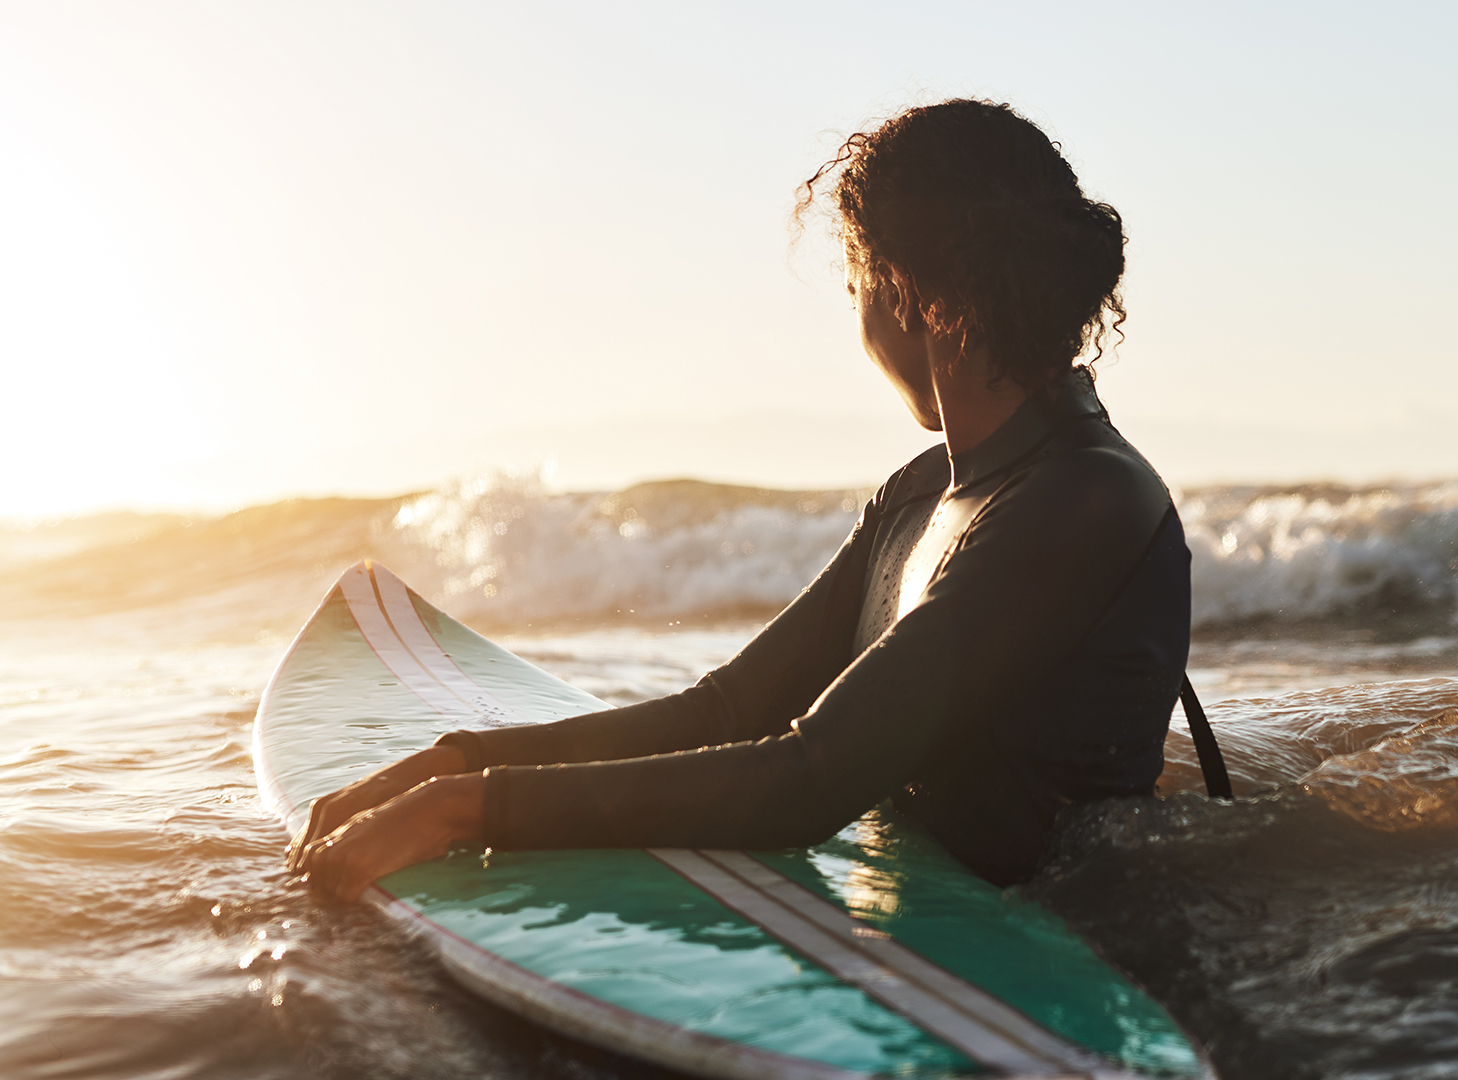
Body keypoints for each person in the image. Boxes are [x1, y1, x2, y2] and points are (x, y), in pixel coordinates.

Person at [293, 99, 1191, 901]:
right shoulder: (921, 493)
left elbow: (811, 778)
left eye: (853, 289)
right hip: (942, 902)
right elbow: (723, 714)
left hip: (1081, 937)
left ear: (905, 294)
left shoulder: (1086, 498)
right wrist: (461, 764)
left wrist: (467, 815)